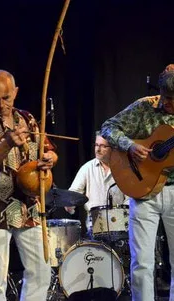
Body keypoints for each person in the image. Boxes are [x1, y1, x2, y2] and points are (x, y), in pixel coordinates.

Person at [0, 69, 58, 301]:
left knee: (41, 269)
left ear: (15, 92)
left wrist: (50, 158)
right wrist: (6, 143)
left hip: (29, 205)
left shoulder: (27, 119)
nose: (1, 104)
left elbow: (48, 150)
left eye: (6, 98)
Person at [100, 64, 174, 301]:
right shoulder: (144, 107)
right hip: (142, 190)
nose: (169, 104)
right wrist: (129, 146)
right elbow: (108, 127)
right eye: (167, 98)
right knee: (142, 263)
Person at [65, 132, 127, 233]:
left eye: (103, 146)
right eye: (96, 145)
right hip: (95, 225)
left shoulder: (124, 168)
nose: (98, 150)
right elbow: (74, 192)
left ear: (113, 148)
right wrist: (69, 203)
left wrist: (122, 215)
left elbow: (130, 199)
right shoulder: (87, 168)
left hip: (121, 224)